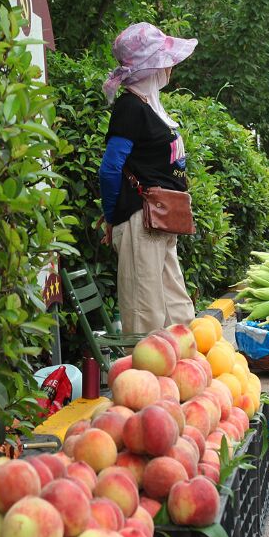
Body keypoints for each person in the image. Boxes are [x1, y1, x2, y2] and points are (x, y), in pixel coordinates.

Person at [98, 23, 198, 333]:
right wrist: (114, 218)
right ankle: (150, 380)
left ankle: (181, 380)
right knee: (148, 321)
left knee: (178, 313)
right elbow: (111, 168)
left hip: (163, 222)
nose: (170, 68)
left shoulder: (149, 105)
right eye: (165, 61)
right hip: (142, 222)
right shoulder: (130, 107)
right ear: (150, 66)